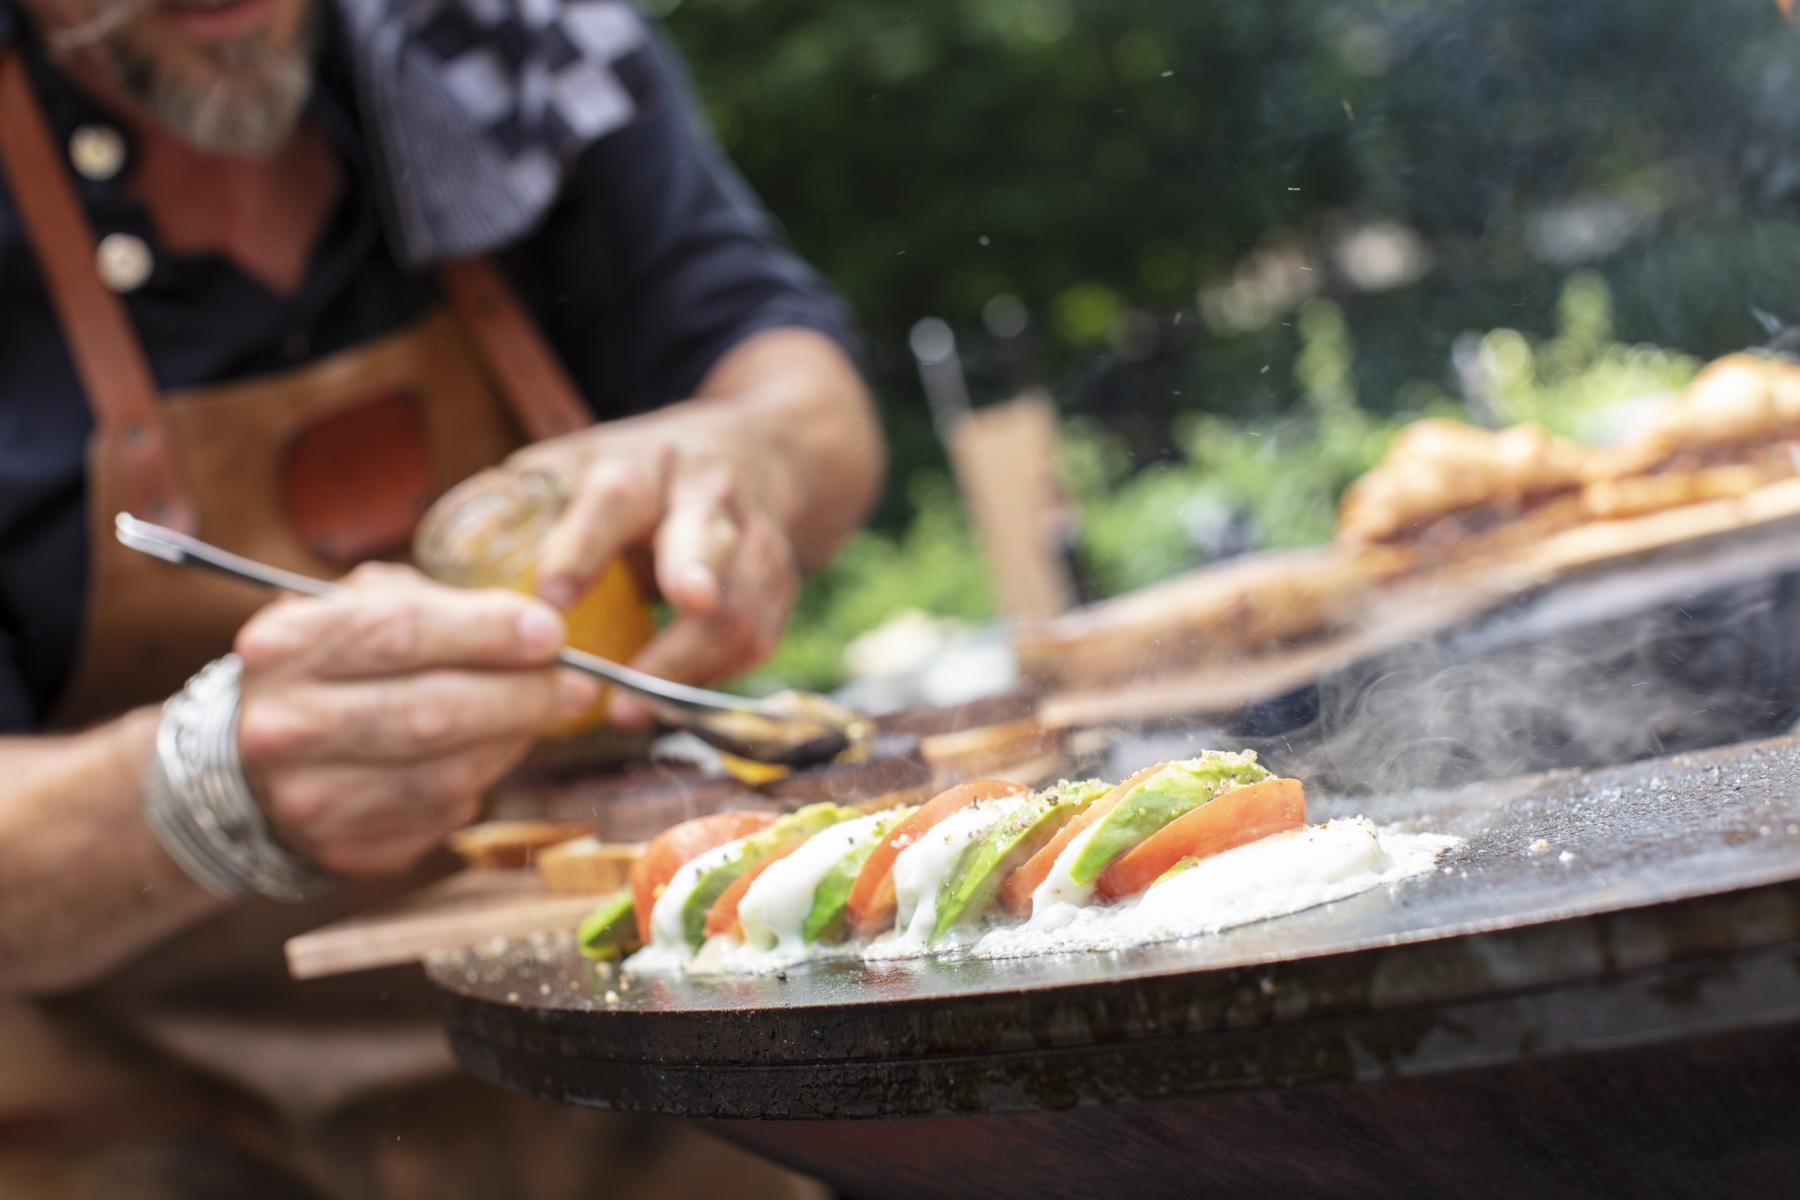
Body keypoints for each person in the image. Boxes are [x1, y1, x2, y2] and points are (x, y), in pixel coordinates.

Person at [0, 0, 883, 1194]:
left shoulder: (501, 37)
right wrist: (199, 783)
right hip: (146, 1123)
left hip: (642, 1062)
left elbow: (798, 385)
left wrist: (745, 455)